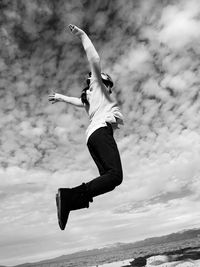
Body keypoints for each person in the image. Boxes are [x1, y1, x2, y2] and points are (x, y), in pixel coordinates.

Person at [48, 24, 124, 230]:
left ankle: (69, 201)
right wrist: (82, 35)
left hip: (92, 137)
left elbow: (76, 101)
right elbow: (95, 59)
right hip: (100, 132)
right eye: (109, 83)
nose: (110, 88)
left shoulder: (90, 99)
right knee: (115, 176)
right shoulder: (97, 86)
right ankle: (69, 196)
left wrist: (60, 97)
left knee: (109, 179)